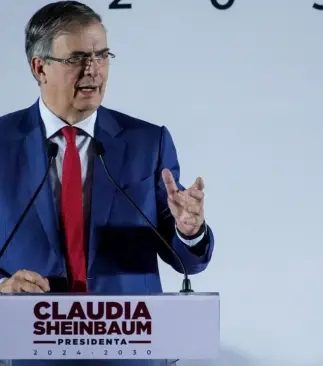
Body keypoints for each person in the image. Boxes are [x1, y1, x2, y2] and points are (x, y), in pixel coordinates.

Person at [0, 1, 214, 365]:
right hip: (29, 350)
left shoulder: (148, 142)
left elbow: (185, 261)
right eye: (77, 58)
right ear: (40, 68)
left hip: (130, 351)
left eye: (102, 56)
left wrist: (189, 231)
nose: (94, 70)